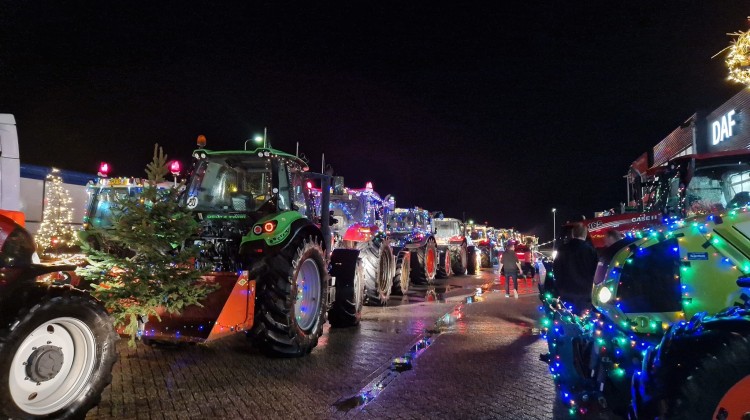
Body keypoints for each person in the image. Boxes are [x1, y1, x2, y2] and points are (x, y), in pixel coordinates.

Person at [552, 222, 598, 315]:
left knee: (568, 318)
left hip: (566, 290)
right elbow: (595, 271)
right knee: (584, 319)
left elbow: (556, 269)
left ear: (573, 234)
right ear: (585, 235)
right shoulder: (591, 250)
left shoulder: (562, 249)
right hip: (585, 291)